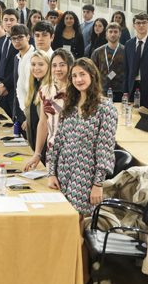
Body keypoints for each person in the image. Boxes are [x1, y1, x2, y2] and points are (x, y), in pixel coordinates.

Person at [45, 57, 117, 217]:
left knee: (78, 224)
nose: (78, 79)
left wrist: (98, 184)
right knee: (62, 221)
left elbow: (105, 149)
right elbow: (57, 143)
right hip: (62, 173)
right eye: (74, 76)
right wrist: (51, 173)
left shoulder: (105, 109)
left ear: (92, 75)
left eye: (82, 74)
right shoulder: (69, 106)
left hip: (85, 177)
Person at [24, 48, 74, 170]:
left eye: (62, 65)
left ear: (71, 66)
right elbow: (43, 123)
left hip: (74, 151)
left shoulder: (77, 91)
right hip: (52, 149)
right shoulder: (45, 90)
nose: (58, 69)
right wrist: (37, 153)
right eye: (54, 65)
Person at [122, 13, 148, 108]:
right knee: (132, 115)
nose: (141, 25)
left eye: (144, 23)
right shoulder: (129, 44)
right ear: (134, 25)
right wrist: (125, 91)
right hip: (132, 86)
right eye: (138, 23)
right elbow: (126, 70)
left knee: (147, 116)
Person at [22, 51, 53, 150]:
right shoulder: (34, 86)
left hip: (46, 143)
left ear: (48, 66)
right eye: (33, 64)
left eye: (41, 64)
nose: (36, 68)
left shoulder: (50, 88)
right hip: (34, 138)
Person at [90, 22, 126, 101]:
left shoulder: (126, 51)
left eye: (115, 32)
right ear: (106, 34)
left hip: (120, 90)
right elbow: (92, 72)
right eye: (110, 32)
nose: (113, 34)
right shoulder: (97, 52)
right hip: (102, 90)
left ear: (120, 34)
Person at [11, 24, 37, 127]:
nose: (17, 41)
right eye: (13, 38)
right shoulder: (17, 58)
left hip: (31, 112)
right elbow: (18, 87)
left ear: (28, 37)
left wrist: (29, 117)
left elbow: (34, 90)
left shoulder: (35, 58)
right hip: (19, 110)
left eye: (20, 37)